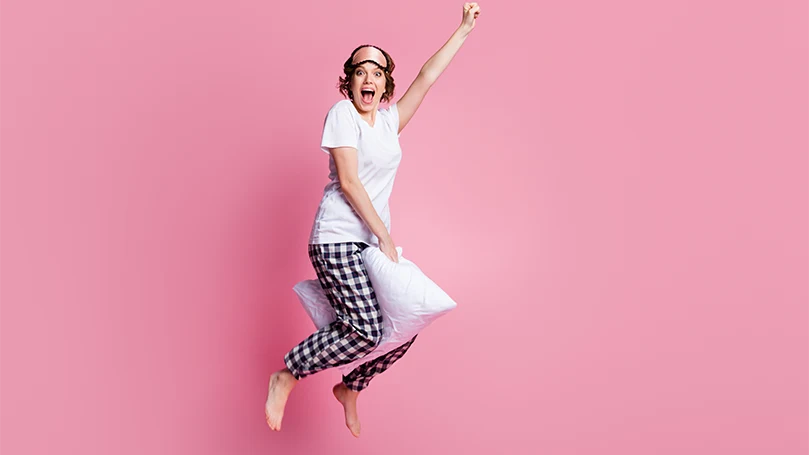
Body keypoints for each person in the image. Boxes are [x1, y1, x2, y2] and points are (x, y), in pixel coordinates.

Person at [265, 2, 482, 438]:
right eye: (361, 69)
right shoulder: (343, 115)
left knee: (410, 319)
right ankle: (288, 372)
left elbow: (427, 77)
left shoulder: (388, 122)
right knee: (364, 329)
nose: (370, 77)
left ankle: (351, 386)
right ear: (349, 80)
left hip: (367, 245)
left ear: (385, 84)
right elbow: (348, 180)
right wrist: (383, 234)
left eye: (378, 71)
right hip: (337, 239)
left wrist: (462, 30)